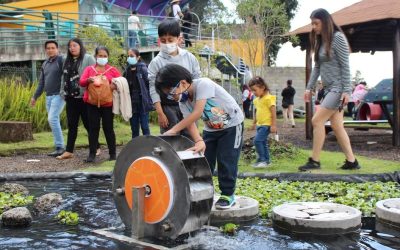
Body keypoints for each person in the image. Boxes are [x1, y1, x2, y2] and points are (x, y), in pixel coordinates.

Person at [155, 64, 244, 210]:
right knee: (204, 161)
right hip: (211, 129)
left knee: (227, 160)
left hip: (232, 126)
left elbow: (196, 113)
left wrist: (173, 130)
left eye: (172, 92)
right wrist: (199, 140)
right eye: (169, 95)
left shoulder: (204, 84)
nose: (173, 97)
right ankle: (204, 192)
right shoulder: (183, 101)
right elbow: (190, 122)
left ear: (183, 82)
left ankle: (228, 194)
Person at [299, 8, 361, 171]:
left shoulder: (338, 38)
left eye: (316, 23)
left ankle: (315, 160)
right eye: (312, 23)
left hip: (338, 89)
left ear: (325, 22)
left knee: (317, 121)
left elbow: (345, 66)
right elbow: (317, 67)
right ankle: (352, 161)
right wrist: (308, 88)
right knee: (337, 126)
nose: (313, 27)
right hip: (328, 89)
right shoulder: (321, 41)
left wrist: (347, 90)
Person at [148, 19, 201, 136]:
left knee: (191, 140)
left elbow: (197, 81)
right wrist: (160, 113)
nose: (167, 43)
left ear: (179, 38)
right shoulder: (156, 62)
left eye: (170, 40)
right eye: (163, 40)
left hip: (188, 105)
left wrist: (197, 107)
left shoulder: (189, 58)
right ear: (159, 41)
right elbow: (153, 88)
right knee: (170, 141)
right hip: (168, 108)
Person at [57, 38, 101, 160]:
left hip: (84, 97)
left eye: (75, 45)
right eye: (70, 46)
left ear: (80, 46)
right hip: (70, 97)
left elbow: (95, 75)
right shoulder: (66, 60)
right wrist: (62, 91)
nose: (72, 48)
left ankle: (96, 147)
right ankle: (69, 150)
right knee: (72, 125)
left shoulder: (88, 58)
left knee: (88, 124)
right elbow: (64, 77)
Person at [80, 46, 121, 162]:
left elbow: (122, 82)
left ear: (108, 57)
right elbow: (82, 82)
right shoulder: (89, 69)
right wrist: (88, 80)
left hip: (108, 104)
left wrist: (114, 85)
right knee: (93, 129)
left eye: (105, 56)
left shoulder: (112, 70)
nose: (102, 58)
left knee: (108, 128)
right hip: (91, 104)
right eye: (100, 56)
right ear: (95, 56)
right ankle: (92, 154)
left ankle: (113, 154)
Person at [30, 40, 65, 157]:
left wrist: (63, 92)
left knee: (52, 119)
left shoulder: (61, 60)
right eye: (48, 48)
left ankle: (60, 147)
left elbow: (67, 76)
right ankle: (58, 146)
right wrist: (35, 97)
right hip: (48, 96)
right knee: (53, 120)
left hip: (59, 96)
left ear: (57, 49)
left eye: (53, 48)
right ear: (45, 50)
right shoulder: (45, 64)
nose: (50, 50)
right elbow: (41, 83)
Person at [123, 48, 153, 138]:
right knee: (134, 127)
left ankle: (147, 145)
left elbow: (149, 85)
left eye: (131, 56)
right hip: (132, 102)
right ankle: (135, 148)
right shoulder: (127, 70)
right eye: (128, 56)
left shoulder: (143, 68)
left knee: (145, 126)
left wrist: (149, 100)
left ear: (138, 57)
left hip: (142, 101)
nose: (129, 58)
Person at [249, 76, 277, 168]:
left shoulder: (269, 98)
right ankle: (266, 161)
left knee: (257, 141)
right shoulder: (257, 100)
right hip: (259, 125)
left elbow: (273, 112)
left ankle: (262, 160)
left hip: (267, 124)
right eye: (252, 90)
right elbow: (257, 112)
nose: (253, 92)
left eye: (254, 90)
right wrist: (254, 123)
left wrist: (273, 125)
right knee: (263, 142)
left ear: (263, 87)